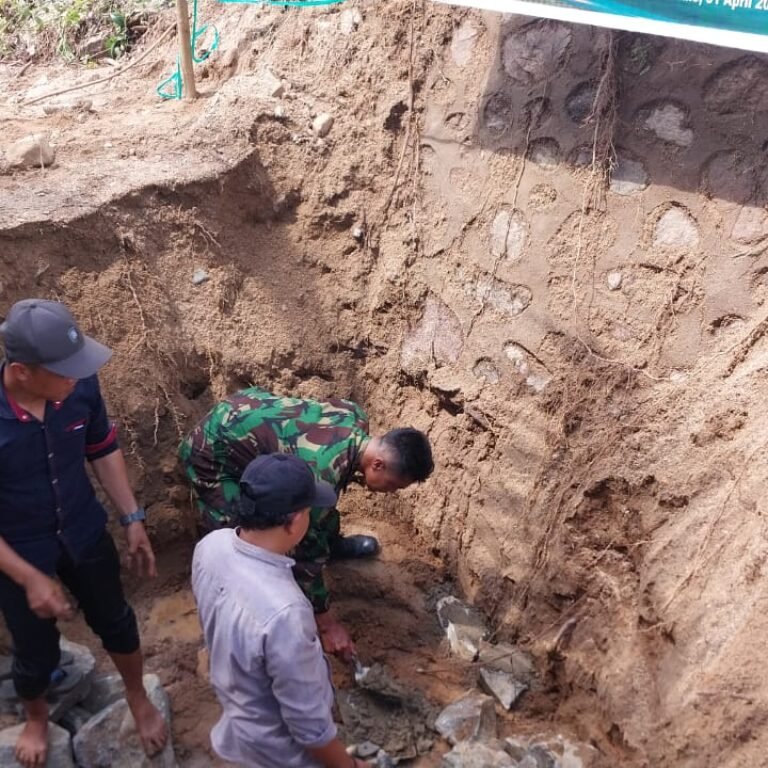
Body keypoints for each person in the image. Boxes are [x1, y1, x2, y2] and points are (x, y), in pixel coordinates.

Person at [0, 299, 168, 768]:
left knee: (115, 619)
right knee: (33, 646)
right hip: (17, 547)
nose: (77, 378)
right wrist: (29, 577)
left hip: (82, 526)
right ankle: (37, 718)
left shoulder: (78, 385)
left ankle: (136, 696)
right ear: (22, 372)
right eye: (65, 372)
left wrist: (132, 517)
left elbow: (102, 447)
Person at [179, 386, 434, 660]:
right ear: (378, 465)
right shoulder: (321, 471)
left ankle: (331, 544)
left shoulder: (354, 416)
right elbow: (306, 556)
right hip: (211, 453)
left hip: (243, 412)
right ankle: (244, 605)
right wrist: (327, 624)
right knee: (246, 531)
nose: (391, 492)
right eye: (393, 485)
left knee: (320, 511)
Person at [192, 453, 369, 768]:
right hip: (281, 754)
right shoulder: (286, 611)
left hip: (239, 723)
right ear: (295, 520)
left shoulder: (211, 547)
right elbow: (310, 730)